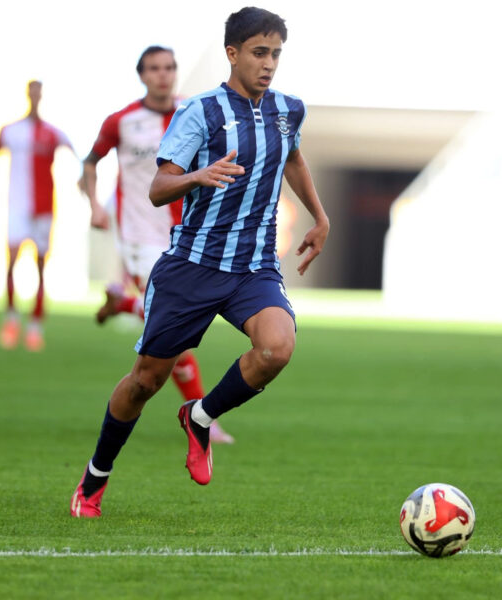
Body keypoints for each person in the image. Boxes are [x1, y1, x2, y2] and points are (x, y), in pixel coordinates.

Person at [70, 6, 330, 518]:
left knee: (277, 347)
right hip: (192, 265)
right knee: (145, 381)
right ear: (232, 53)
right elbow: (159, 187)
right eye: (259, 52)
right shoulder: (201, 111)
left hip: (253, 267)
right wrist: (198, 175)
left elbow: (294, 158)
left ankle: (200, 417)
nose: (269, 63)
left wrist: (320, 217)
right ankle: (94, 479)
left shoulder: (289, 109)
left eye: (276, 54)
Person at [79, 46, 234, 444]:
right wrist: (94, 204)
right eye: (154, 69)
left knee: (170, 326)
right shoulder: (122, 121)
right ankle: (204, 418)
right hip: (139, 238)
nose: (163, 75)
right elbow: (90, 161)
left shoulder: (193, 112)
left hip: (187, 235)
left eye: (169, 67)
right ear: (142, 75)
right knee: (173, 328)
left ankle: (122, 304)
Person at [0, 80, 107, 352]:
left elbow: (80, 158)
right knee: (11, 262)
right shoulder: (10, 131)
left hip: (44, 208)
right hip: (17, 207)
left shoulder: (53, 133)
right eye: (32, 91)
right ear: (28, 94)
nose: (35, 96)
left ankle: (35, 326)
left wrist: (83, 181)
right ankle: (11, 318)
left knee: (40, 266)